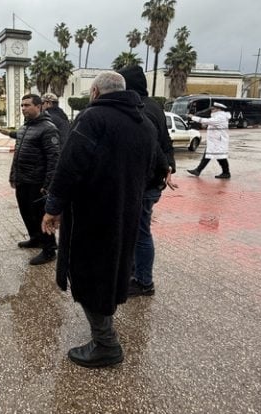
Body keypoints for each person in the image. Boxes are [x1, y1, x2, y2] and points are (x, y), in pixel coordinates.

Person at [42, 72, 159, 368]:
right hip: (125, 213)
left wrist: (53, 207)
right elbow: (153, 170)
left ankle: (106, 343)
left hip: (91, 215)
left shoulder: (92, 118)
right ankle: (104, 329)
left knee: (88, 273)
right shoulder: (144, 123)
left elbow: (69, 166)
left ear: (94, 92)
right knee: (113, 269)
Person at [116, 65, 177, 297]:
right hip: (150, 181)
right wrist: (169, 167)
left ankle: (144, 282)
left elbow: (150, 147)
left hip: (143, 183)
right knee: (136, 231)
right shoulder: (153, 106)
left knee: (140, 232)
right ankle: (134, 273)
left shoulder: (140, 109)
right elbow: (166, 142)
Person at [9, 94, 61, 265]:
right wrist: (13, 176)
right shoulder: (24, 128)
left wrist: (48, 185)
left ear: (38, 106)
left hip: (37, 182)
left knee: (40, 216)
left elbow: (54, 159)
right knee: (26, 213)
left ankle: (49, 249)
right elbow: (17, 155)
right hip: (23, 180)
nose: (23, 108)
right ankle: (35, 239)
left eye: (27, 105)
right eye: (22, 105)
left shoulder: (48, 128)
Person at [186, 102, 232, 179]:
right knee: (209, 155)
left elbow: (207, 121)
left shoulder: (220, 117)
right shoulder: (218, 116)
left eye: (213, 109)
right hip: (215, 141)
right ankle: (198, 170)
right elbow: (211, 123)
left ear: (218, 109)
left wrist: (193, 117)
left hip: (218, 141)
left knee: (220, 157)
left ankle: (226, 173)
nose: (211, 110)